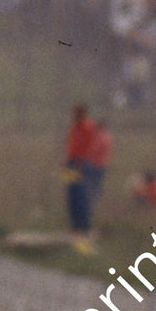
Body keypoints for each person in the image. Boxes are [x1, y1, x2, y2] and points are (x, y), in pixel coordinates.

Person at [63, 104, 99, 252]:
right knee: (71, 195)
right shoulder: (74, 127)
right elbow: (71, 145)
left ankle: (84, 227)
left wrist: (80, 163)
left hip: (81, 164)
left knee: (81, 196)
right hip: (71, 163)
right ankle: (74, 227)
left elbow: (88, 147)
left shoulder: (88, 127)